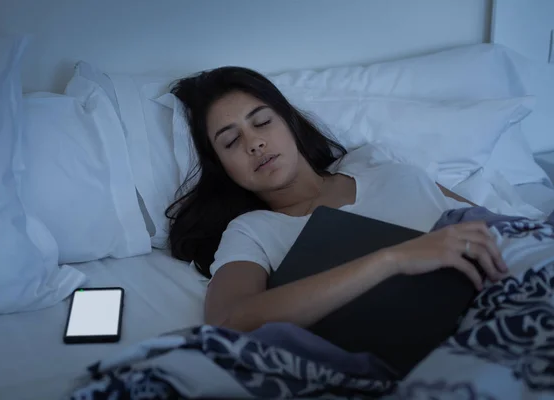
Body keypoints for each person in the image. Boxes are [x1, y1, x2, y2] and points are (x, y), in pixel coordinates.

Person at [166, 66, 508, 333]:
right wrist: (392, 259)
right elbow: (227, 323)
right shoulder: (253, 230)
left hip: (509, 275)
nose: (254, 143)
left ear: (288, 122)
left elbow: (491, 223)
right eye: (230, 142)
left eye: (263, 122)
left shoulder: (373, 160)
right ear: (222, 166)